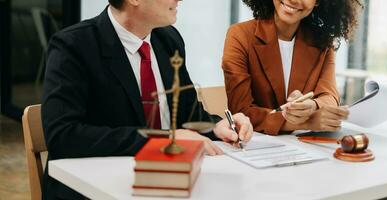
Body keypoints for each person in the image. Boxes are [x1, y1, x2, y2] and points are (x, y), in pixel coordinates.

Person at [41, 0, 253, 199]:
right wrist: (162, 140)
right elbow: (63, 136)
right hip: (95, 190)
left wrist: (216, 127)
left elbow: (186, 110)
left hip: (168, 182)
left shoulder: (168, 39)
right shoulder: (73, 46)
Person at [222, 0, 361, 135]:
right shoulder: (240, 36)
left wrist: (312, 105)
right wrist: (306, 122)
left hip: (305, 148)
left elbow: (329, 95)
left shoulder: (322, 43)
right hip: (255, 146)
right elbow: (241, 111)